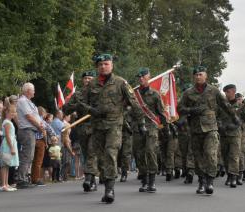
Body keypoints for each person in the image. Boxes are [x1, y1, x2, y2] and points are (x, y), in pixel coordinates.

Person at [79, 54, 145, 203]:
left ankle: (109, 190)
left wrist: (141, 123)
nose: (103, 66)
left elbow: (134, 102)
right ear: (97, 67)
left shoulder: (121, 82)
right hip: (97, 126)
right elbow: (81, 102)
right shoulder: (92, 84)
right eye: (100, 64)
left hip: (114, 125)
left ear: (112, 65)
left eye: (106, 64)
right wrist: (91, 110)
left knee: (110, 153)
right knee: (101, 159)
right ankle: (105, 179)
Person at [177, 66, 239, 195]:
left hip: (211, 128)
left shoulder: (214, 91)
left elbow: (225, 105)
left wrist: (234, 117)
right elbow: (180, 108)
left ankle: (210, 181)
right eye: (196, 75)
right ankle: (201, 181)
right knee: (198, 157)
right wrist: (191, 110)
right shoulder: (188, 93)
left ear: (206, 76)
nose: (198, 76)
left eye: (200, 74)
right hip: (195, 129)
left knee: (210, 154)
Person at [133, 67, 170, 191]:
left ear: (148, 77)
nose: (141, 79)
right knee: (139, 154)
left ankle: (152, 181)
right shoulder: (133, 94)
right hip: (137, 127)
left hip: (151, 127)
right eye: (139, 77)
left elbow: (161, 113)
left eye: (143, 76)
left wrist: (166, 129)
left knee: (151, 151)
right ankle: (144, 180)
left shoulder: (155, 94)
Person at [63, 70, 98, 192]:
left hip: (95, 127)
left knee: (92, 152)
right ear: (82, 80)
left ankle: (88, 178)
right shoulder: (77, 95)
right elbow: (65, 109)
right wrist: (76, 106)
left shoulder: (100, 93)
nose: (88, 80)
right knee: (86, 154)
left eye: (90, 78)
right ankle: (92, 181)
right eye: (85, 78)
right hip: (82, 127)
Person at [16, 82, 43, 189]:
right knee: (27, 155)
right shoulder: (22, 101)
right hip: (26, 130)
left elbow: (34, 116)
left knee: (29, 155)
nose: (34, 92)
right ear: (27, 91)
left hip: (31, 131)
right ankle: (21, 179)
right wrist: (39, 126)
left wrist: (40, 124)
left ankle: (25, 177)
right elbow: (29, 117)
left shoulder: (28, 102)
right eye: (33, 90)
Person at [218, 84, 242, 188]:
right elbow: (217, 117)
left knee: (234, 156)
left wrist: (234, 125)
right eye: (225, 92)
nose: (226, 94)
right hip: (224, 134)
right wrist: (220, 125)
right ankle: (229, 175)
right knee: (225, 156)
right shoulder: (222, 105)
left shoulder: (240, 106)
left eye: (227, 92)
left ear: (233, 91)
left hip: (235, 135)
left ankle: (233, 177)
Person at [0, 105, 19, 192]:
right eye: (12, 112)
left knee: (7, 165)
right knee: (5, 164)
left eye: (15, 112)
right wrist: (11, 147)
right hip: (7, 145)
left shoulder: (9, 122)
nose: (14, 114)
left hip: (10, 143)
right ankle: (3, 184)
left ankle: (6, 184)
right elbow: (7, 136)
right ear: (7, 112)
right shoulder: (7, 122)